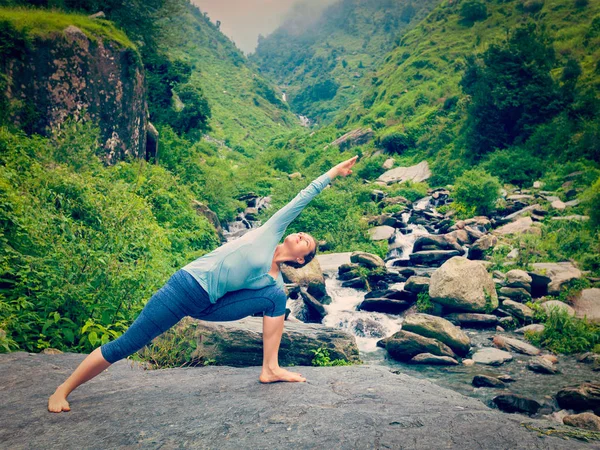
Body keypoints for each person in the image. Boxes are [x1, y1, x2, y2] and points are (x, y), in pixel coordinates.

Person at [48, 155, 359, 413]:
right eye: (302, 233)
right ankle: (62, 390)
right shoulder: (269, 232)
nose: (301, 235)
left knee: (276, 297)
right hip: (185, 288)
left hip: (209, 305)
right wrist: (333, 172)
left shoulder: (271, 280)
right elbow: (302, 197)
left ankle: (270, 368)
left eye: (307, 241)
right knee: (127, 344)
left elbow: (251, 300)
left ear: (302, 260)